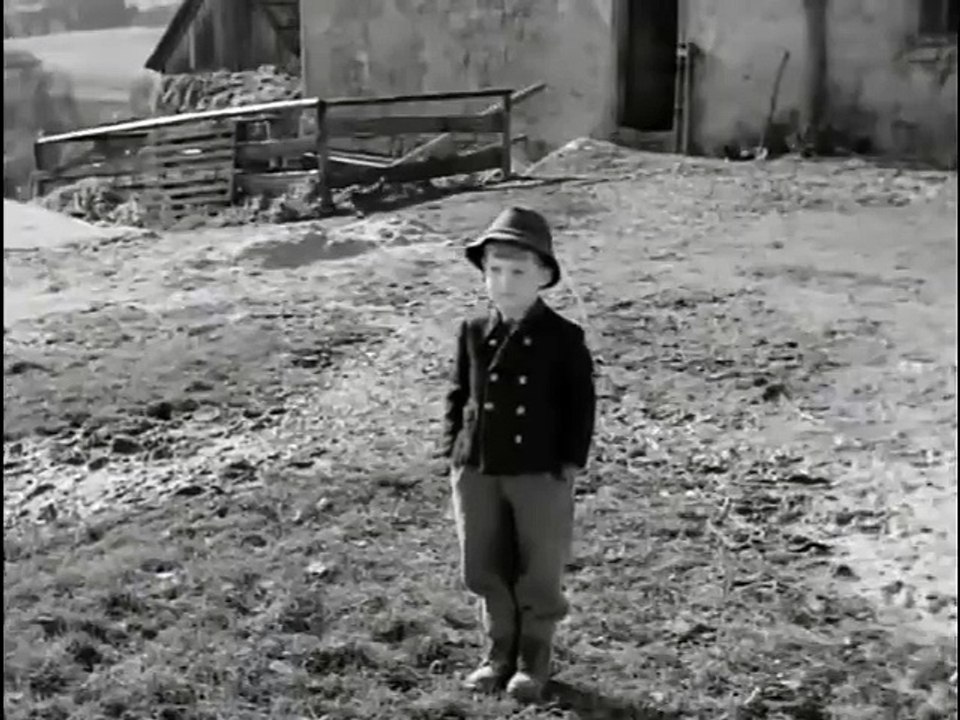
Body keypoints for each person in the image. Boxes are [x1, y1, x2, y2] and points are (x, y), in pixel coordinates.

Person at [441, 206, 597, 702]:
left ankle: (534, 656)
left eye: (518, 272)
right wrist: (454, 450)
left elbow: (580, 406)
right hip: (478, 468)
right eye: (494, 271)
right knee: (483, 564)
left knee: (537, 566)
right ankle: (497, 651)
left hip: (539, 471)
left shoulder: (563, 338)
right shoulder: (471, 330)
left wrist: (568, 463)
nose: (504, 284)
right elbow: (457, 394)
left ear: (544, 276)